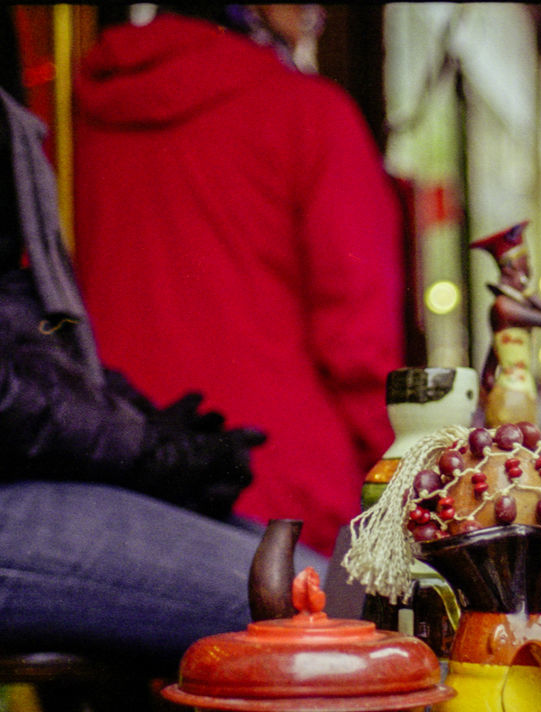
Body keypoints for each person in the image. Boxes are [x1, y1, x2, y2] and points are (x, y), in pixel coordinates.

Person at [71, 5, 404, 556]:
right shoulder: (310, 114)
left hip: (121, 488)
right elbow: (360, 345)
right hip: (287, 504)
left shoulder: (82, 112)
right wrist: (408, 477)